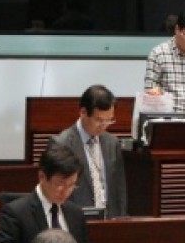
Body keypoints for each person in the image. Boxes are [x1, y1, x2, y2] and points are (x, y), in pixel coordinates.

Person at [0, 143, 96, 243]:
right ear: (42, 177)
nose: (66, 191)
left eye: (72, 185)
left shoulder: (76, 214)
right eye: (60, 184)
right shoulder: (15, 213)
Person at [50, 84, 127, 220]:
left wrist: (121, 218)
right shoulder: (62, 144)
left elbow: (119, 188)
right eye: (99, 120)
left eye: (109, 120)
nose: (104, 126)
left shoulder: (112, 143)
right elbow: (56, 191)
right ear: (83, 113)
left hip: (110, 222)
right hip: (75, 222)